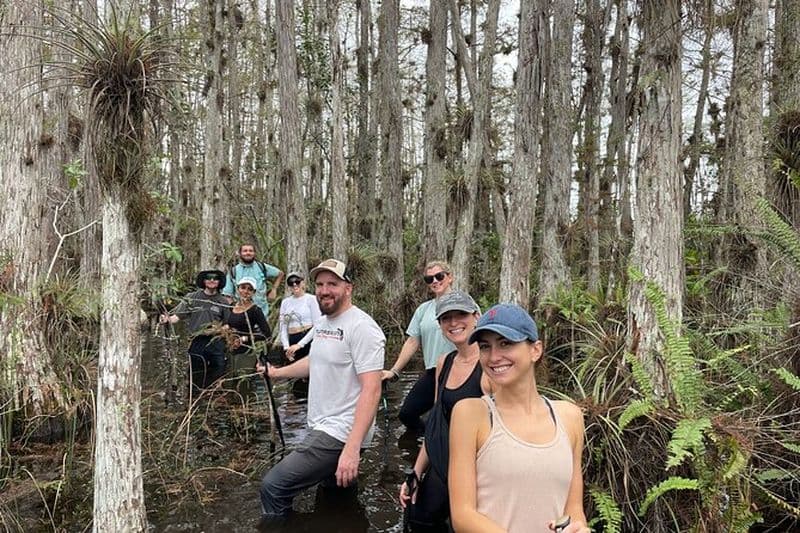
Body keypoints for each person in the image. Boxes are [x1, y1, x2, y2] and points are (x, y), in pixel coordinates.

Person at [257, 258, 385, 524]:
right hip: (322, 425)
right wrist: (276, 373)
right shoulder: (325, 323)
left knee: (273, 487)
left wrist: (351, 449)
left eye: (333, 284)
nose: (325, 290)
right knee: (335, 499)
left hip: (341, 432)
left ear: (349, 287)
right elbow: (315, 361)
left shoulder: (362, 328)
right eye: (320, 284)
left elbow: (372, 391)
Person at [448, 304, 590, 533]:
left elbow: (573, 507)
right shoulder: (470, 414)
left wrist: (578, 528)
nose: (494, 357)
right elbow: (463, 515)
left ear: (535, 350)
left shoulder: (569, 416)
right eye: (485, 347)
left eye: (506, 343)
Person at [400, 290, 491, 532]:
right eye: (445, 318)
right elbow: (436, 425)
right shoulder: (444, 363)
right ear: (440, 325)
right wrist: (416, 473)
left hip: (476, 474)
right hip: (441, 465)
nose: (453, 323)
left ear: (476, 317)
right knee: (417, 518)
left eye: (460, 314)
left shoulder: (490, 367)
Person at [383, 260, 456, 431]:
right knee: (407, 414)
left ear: (450, 277)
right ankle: (426, 444)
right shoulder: (424, 309)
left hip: (459, 369)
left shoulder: (466, 304)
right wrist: (394, 371)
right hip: (432, 372)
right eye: (429, 279)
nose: (435, 281)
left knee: (444, 418)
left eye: (439, 276)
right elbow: (412, 341)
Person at [160, 269, 230, 390]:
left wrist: (217, 330)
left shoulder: (223, 302)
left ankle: (213, 398)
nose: (212, 280)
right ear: (203, 281)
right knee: (195, 374)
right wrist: (167, 319)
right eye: (209, 278)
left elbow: (229, 324)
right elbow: (177, 316)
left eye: (215, 278)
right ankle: (195, 398)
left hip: (216, 341)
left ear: (219, 282)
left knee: (218, 371)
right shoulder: (192, 297)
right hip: (197, 341)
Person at [223, 243, 284, 317]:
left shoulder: (261, 267)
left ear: (254, 253)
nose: (248, 253)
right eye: (245, 251)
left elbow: (280, 273)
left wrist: (274, 290)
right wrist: (234, 312)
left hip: (262, 312)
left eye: (250, 251)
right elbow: (227, 295)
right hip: (242, 315)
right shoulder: (233, 271)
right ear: (240, 254)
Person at [278, 271, 321, 362]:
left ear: (303, 283)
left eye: (297, 281)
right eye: (291, 283)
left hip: (307, 337)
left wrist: (300, 344)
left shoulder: (311, 299)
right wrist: (286, 347)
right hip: (291, 339)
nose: (294, 284)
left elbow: (317, 325)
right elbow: (283, 326)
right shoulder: (285, 302)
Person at [225, 277, 272, 354]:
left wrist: (244, 339)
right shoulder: (231, 306)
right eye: (243, 288)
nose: (246, 291)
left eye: (250, 289)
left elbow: (266, 334)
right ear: (237, 289)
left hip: (246, 351)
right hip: (229, 349)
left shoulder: (255, 310)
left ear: (254, 292)